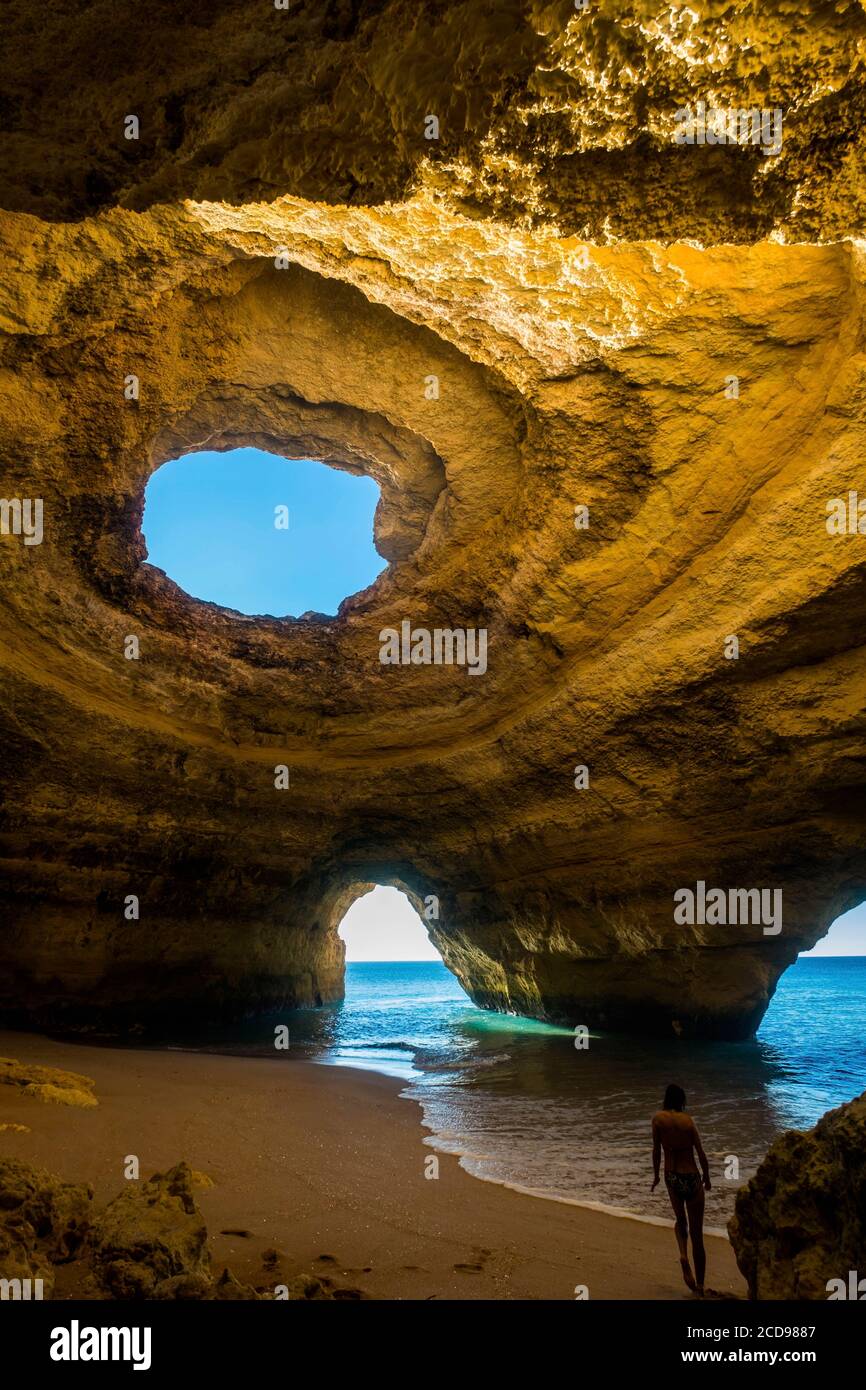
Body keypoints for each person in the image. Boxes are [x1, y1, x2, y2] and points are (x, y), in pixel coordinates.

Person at [651, 1083, 711, 1295]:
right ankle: (701, 1286)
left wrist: (657, 1176)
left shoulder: (658, 1120)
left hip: (672, 1176)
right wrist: (707, 1177)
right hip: (692, 1177)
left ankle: (683, 1254)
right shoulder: (688, 1122)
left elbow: (656, 1151)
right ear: (681, 1100)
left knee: (680, 1222)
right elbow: (700, 1153)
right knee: (697, 1235)